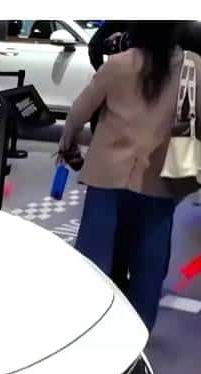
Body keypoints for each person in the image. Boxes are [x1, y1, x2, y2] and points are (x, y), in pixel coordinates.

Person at [59, 21, 187, 332]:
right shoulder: (191, 68)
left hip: (107, 177)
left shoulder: (118, 64)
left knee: (95, 261)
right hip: (160, 180)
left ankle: (89, 327)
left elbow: (78, 113)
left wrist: (68, 147)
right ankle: (137, 332)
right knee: (149, 266)